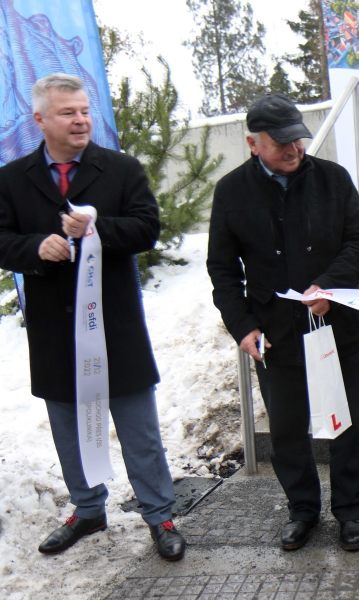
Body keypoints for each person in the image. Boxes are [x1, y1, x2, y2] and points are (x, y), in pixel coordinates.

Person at [0, 74, 184, 561]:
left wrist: (99, 226)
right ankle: (87, 508)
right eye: (68, 112)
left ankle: (159, 514)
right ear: (40, 120)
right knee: (69, 429)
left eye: (85, 111)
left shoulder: (120, 170)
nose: (81, 120)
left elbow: (147, 228)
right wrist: (35, 247)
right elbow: (0, 240)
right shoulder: (12, 178)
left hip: (115, 329)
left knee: (139, 431)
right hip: (54, 332)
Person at [206, 93, 359, 553]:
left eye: (297, 139)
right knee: (286, 429)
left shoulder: (332, 179)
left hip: (335, 328)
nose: (294, 149)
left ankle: (350, 512)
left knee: (345, 425)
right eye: (280, 143)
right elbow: (222, 269)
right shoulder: (232, 191)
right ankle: (302, 509)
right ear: (252, 144)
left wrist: (329, 285)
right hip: (274, 335)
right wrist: (241, 326)